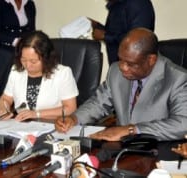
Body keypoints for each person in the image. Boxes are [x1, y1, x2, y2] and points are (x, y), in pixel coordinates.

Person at [55, 28, 187, 141]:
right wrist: (74, 118)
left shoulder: (178, 78)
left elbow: (182, 124)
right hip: (121, 148)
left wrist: (131, 130)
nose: (123, 67)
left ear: (151, 60)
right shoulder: (115, 71)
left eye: (130, 64)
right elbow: (98, 103)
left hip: (159, 149)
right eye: (120, 59)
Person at [0, 30, 78, 121]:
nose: (27, 65)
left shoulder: (63, 73)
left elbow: (70, 108)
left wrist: (36, 114)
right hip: (21, 126)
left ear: (46, 57)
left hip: (53, 125)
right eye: (23, 59)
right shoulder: (16, 70)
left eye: (33, 61)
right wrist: (4, 110)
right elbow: (6, 98)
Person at [90, 0, 155, 65]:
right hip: (120, 66)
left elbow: (139, 39)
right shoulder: (117, 4)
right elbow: (115, 33)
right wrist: (97, 25)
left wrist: (105, 36)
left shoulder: (139, 3)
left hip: (136, 67)